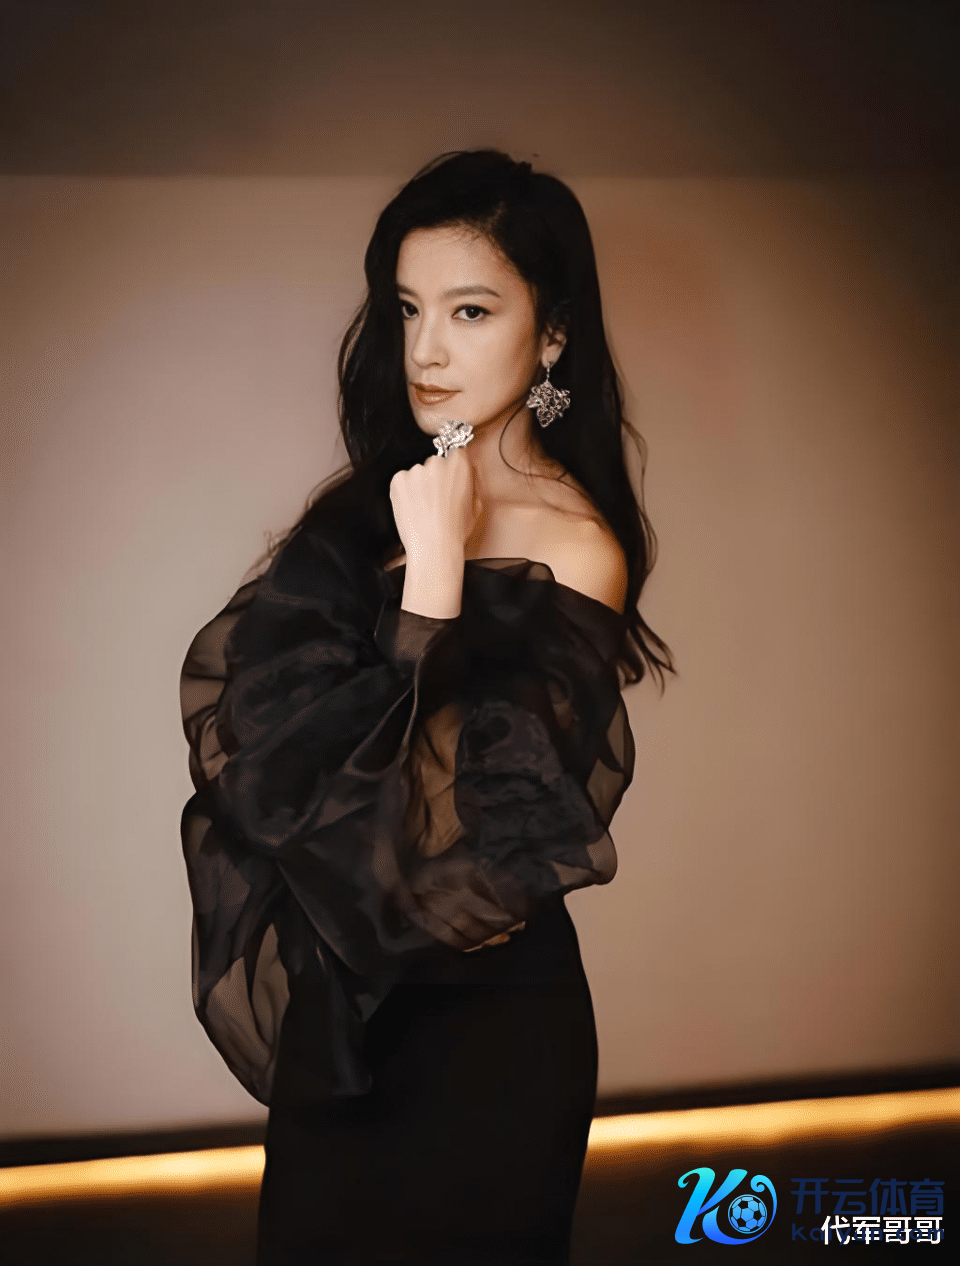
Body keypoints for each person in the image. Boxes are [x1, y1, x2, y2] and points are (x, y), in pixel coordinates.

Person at [179, 149, 675, 1266]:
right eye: (407, 308)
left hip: (483, 1040)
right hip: (345, 1028)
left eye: (470, 310)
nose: (425, 350)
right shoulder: (376, 509)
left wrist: (437, 584)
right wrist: (422, 553)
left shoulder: (576, 550)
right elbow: (260, 766)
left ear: (553, 334)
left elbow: (454, 856)